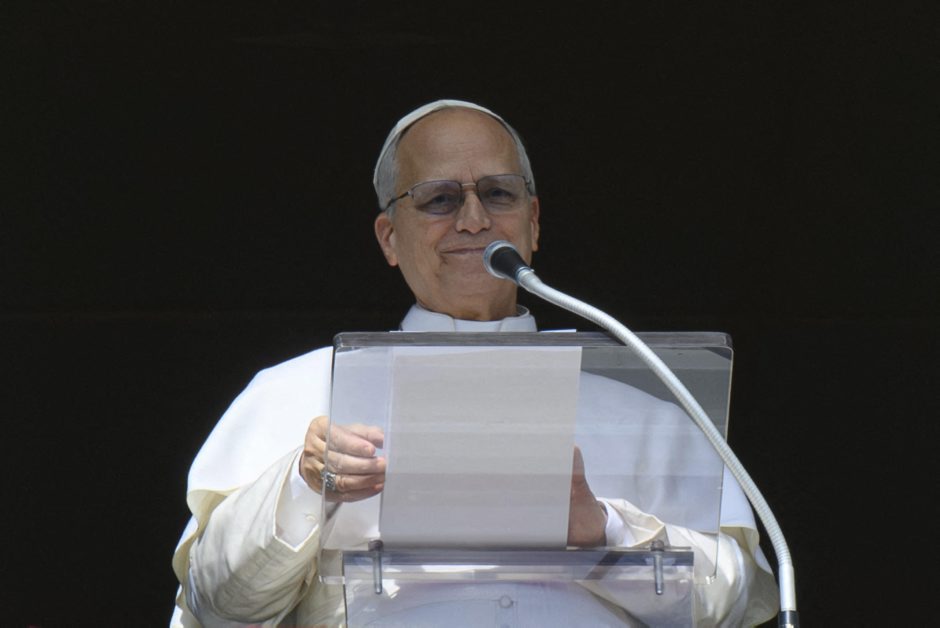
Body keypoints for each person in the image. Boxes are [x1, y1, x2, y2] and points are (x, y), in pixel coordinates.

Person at [171, 100, 779, 627]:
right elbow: (219, 602)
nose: (473, 220)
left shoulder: (645, 412)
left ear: (532, 223)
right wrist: (302, 487)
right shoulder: (303, 390)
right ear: (389, 237)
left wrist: (601, 532)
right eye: (439, 199)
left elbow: (732, 604)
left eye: (497, 193)